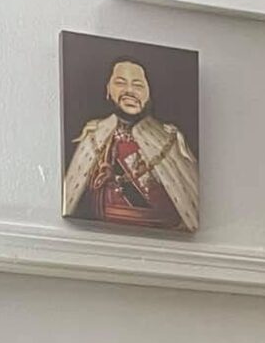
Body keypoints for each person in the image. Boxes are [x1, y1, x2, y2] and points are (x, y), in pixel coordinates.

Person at [62, 58, 200, 232]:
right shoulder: (93, 135)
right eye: (120, 83)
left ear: (149, 92)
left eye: (138, 85)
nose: (129, 91)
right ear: (108, 89)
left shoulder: (169, 139)